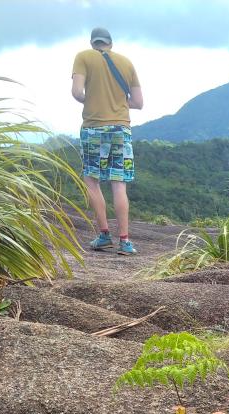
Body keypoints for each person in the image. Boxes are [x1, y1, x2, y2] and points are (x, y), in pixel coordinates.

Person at [71, 27, 144, 254]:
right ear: (110, 43)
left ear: (93, 43)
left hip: (93, 128)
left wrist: (93, 100)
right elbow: (139, 102)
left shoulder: (83, 57)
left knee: (92, 180)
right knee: (118, 183)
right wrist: (117, 103)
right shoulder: (126, 62)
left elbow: (76, 92)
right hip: (121, 129)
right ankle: (124, 241)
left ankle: (103, 235)